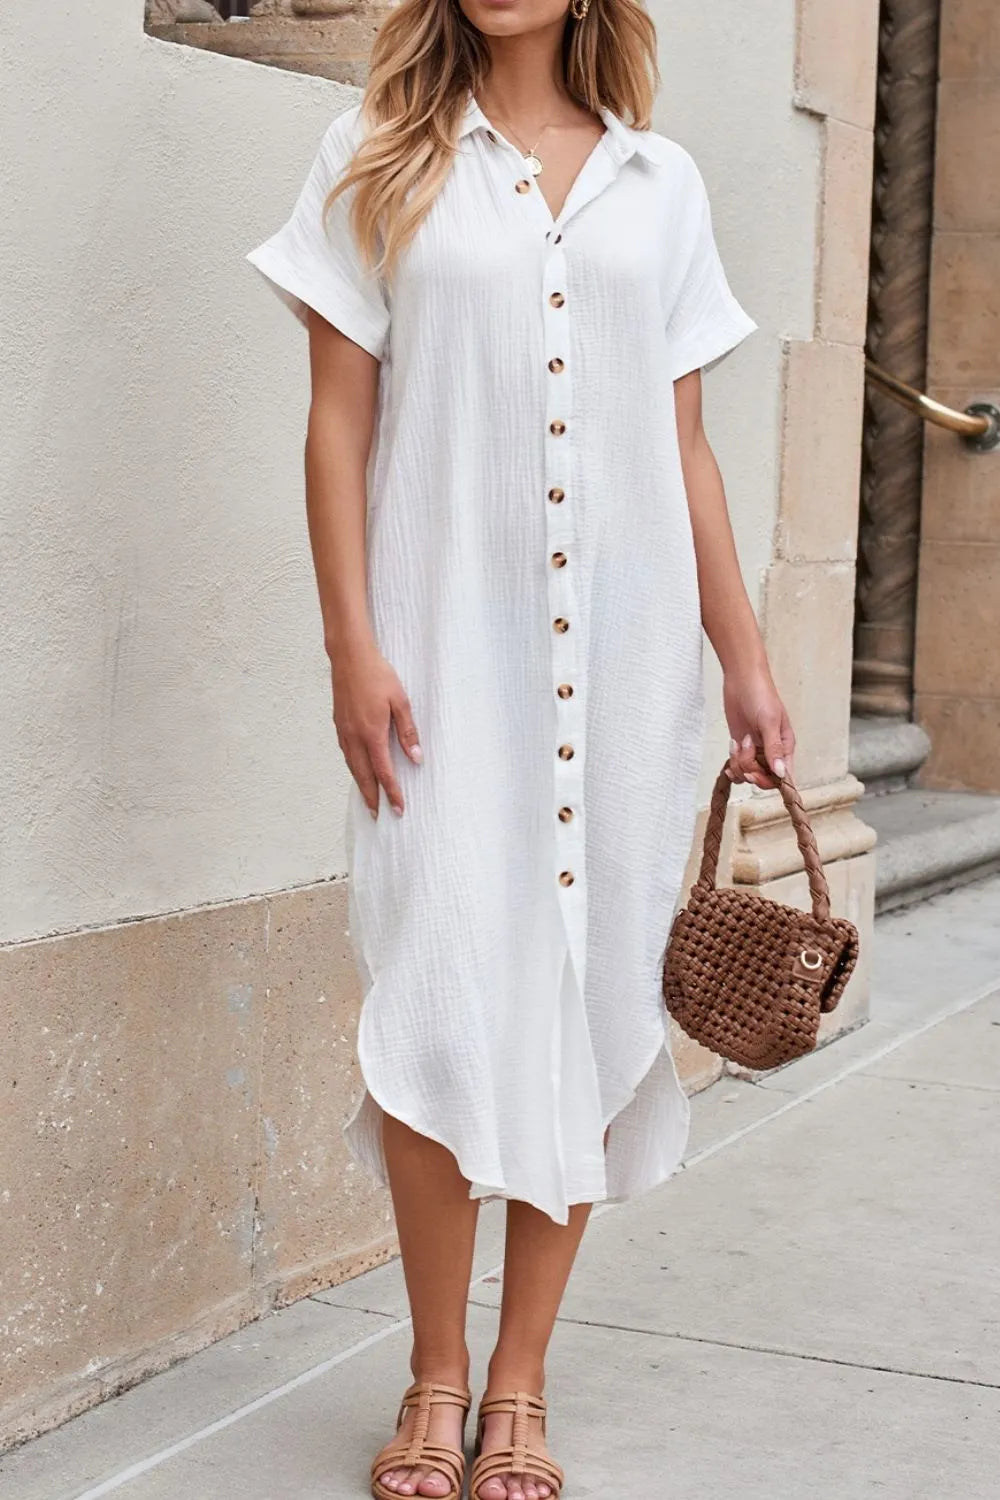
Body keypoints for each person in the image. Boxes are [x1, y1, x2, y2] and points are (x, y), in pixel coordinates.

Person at [246, 0, 795, 1495]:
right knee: (434, 995)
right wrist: (353, 647)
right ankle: (432, 1375)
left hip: (621, 669)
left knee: (594, 999)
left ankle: (520, 1385)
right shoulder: (370, 156)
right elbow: (334, 428)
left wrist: (743, 662)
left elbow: (681, 447)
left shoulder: (660, 184)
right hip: (439, 667)